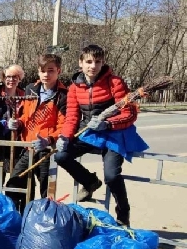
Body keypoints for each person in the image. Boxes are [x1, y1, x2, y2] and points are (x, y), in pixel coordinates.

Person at [55, 44, 137, 226]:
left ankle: (123, 213)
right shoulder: (75, 87)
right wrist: (65, 137)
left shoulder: (115, 82)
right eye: (89, 62)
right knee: (61, 155)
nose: (93, 66)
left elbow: (130, 114)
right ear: (80, 63)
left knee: (112, 176)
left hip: (113, 135)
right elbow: (72, 117)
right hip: (88, 133)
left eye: (97, 62)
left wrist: (107, 123)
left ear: (103, 63)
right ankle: (90, 182)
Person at [5, 54, 67, 212]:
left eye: (51, 70)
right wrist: (17, 122)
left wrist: (49, 139)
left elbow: (63, 124)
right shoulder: (31, 89)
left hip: (47, 150)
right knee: (14, 183)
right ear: (38, 72)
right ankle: (22, 217)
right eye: (43, 70)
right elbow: (26, 115)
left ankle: (46, 222)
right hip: (28, 148)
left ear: (58, 71)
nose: (46, 74)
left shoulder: (62, 95)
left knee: (46, 190)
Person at [0, 64, 26, 174]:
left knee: (18, 175)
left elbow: (28, 115)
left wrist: (19, 122)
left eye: (15, 77)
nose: (11, 80)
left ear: (19, 78)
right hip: (1, 140)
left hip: (19, 140)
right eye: (8, 77)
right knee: (0, 176)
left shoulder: (25, 95)